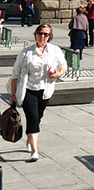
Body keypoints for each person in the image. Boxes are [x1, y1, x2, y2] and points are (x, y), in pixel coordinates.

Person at [10, 24, 67, 162]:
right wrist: (12, 95)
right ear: (35, 34)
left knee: (37, 118)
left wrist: (57, 74)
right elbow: (15, 74)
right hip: (28, 90)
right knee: (33, 118)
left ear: (49, 36)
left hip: (45, 90)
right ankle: (35, 151)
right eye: (40, 33)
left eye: (46, 34)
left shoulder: (54, 50)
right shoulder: (26, 52)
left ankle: (29, 140)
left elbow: (63, 66)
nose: (42, 36)